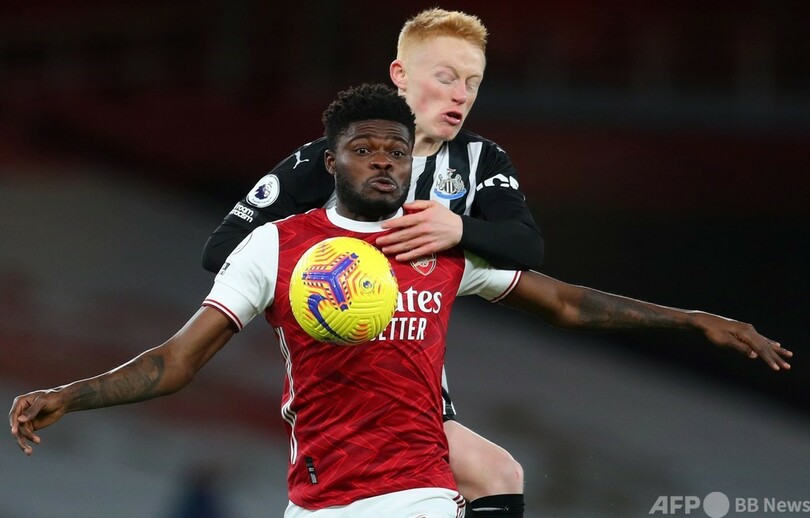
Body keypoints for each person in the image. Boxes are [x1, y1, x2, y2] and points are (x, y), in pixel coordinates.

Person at [10, 84, 792, 517]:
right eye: (365, 150)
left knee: (498, 472)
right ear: (331, 162)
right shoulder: (278, 247)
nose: (384, 161)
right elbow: (177, 362)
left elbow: (565, 304)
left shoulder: (436, 240)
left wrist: (690, 319)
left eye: (396, 150)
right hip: (316, 500)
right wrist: (71, 394)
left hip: (418, 489)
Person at [201, 9, 540, 515]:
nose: (460, 95)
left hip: (411, 362)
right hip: (338, 360)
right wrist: (330, 270)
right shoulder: (333, 157)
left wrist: (459, 229)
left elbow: (527, 246)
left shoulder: (479, 159)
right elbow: (222, 248)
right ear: (400, 74)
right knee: (486, 474)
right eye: (446, 77)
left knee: (498, 474)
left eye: (473, 83)